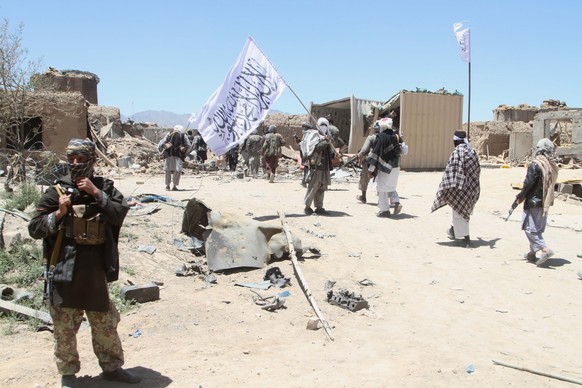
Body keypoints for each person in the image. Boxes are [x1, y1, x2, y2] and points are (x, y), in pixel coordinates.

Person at [28, 138, 140, 388]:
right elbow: (34, 228)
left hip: (95, 271)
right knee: (64, 328)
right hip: (64, 270)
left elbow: (119, 213)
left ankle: (112, 368)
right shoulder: (57, 190)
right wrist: (58, 213)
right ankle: (68, 374)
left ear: (92, 161)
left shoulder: (104, 187)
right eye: (72, 159)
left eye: (82, 159)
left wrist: (96, 194)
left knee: (105, 323)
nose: (76, 164)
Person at [431, 130, 481, 247]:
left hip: (460, 189)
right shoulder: (472, 152)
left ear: (456, 141)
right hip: (472, 188)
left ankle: (466, 238)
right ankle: (453, 230)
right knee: (462, 212)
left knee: (459, 213)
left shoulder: (457, 152)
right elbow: (477, 171)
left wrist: (446, 187)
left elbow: (451, 171)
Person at [516, 138, 559, 266]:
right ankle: (532, 253)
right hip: (544, 202)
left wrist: (521, 196)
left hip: (534, 202)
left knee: (530, 228)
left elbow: (528, 183)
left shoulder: (536, 164)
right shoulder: (551, 165)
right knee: (537, 228)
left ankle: (544, 249)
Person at [366, 117, 405, 217]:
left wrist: (370, 170)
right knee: (391, 186)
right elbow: (404, 150)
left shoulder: (380, 137)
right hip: (396, 166)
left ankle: (384, 211)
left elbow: (375, 154)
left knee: (382, 189)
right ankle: (396, 202)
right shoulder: (396, 136)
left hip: (384, 167)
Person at [302, 117, 335, 215]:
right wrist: (325, 141)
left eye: (325, 125)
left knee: (322, 188)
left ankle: (319, 207)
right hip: (316, 166)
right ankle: (307, 207)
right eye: (322, 125)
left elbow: (329, 152)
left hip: (325, 167)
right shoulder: (314, 136)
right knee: (313, 187)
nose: (323, 127)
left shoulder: (328, 137)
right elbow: (315, 148)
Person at [158, 124, 191, 191]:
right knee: (177, 171)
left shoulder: (169, 134)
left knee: (168, 170)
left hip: (169, 155)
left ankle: (167, 186)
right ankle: (174, 186)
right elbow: (189, 145)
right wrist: (185, 151)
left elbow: (162, 143)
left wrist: (161, 149)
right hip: (178, 155)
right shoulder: (183, 135)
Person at [356, 120, 381, 203]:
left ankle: (363, 196)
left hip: (370, 161)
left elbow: (364, 150)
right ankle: (381, 199)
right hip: (381, 162)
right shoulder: (383, 138)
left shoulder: (371, 137)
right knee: (380, 179)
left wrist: (359, 155)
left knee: (364, 178)